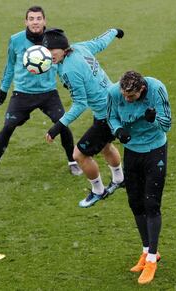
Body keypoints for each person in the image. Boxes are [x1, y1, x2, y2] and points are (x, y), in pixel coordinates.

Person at [0, 6, 82, 185]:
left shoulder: (52, 39)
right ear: (26, 22)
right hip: (22, 94)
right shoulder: (16, 40)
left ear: (44, 21)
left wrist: (65, 81)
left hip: (48, 93)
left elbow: (58, 62)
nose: (35, 22)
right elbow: (10, 65)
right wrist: (3, 90)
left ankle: (73, 162)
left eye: (38, 18)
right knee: (8, 126)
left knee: (63, 124)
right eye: (31, 19)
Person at [42, 28, 125, 208]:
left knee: (79, 154)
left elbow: (80, 103)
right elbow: (100, 42)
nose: (49, 55)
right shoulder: (79, 48)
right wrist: (114, 31)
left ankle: (98, 191)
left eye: (51, 51)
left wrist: (58, 127)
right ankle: (119, 178)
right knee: (105, 146)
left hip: (106, 115)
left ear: (63, 48)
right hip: (114, 103)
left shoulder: (70, 71)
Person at [107, 71, 171, 284]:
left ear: (142, 90)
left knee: (151, 203)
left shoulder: (157, 89)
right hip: (132, 152)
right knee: (135, 203)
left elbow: (167, 124)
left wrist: (154, 119)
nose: (126, 100)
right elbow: (111, 116)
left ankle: (152, 259)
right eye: (124, 95)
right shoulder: (114, 93)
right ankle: (146, 250)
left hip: (155, 151)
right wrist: (118, 131)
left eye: (131, 97)